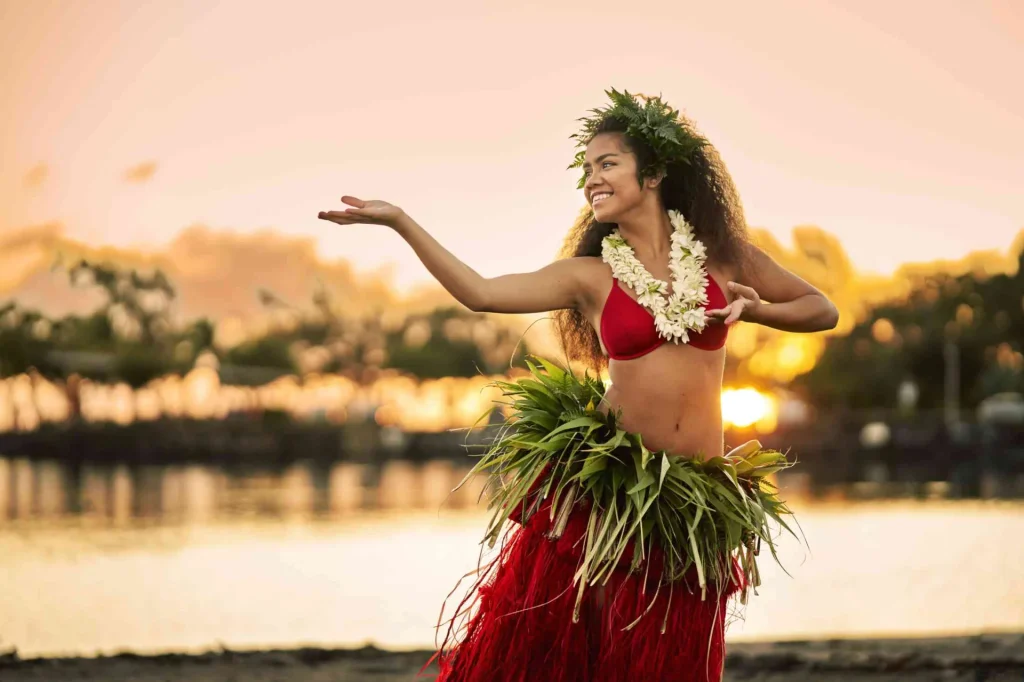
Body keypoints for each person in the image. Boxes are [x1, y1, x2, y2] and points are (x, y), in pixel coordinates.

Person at [318, 88, 839, 682]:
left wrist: (755, 309)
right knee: (602, 660)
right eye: (586, 169)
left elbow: (821, 309)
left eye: (607, 164)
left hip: (695, 496)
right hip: (612, 496)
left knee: (682, 662)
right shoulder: (588, 277)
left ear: (656, 173)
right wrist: (400, 222)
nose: (591, 179)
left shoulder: (723, 258)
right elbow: (481, 291)